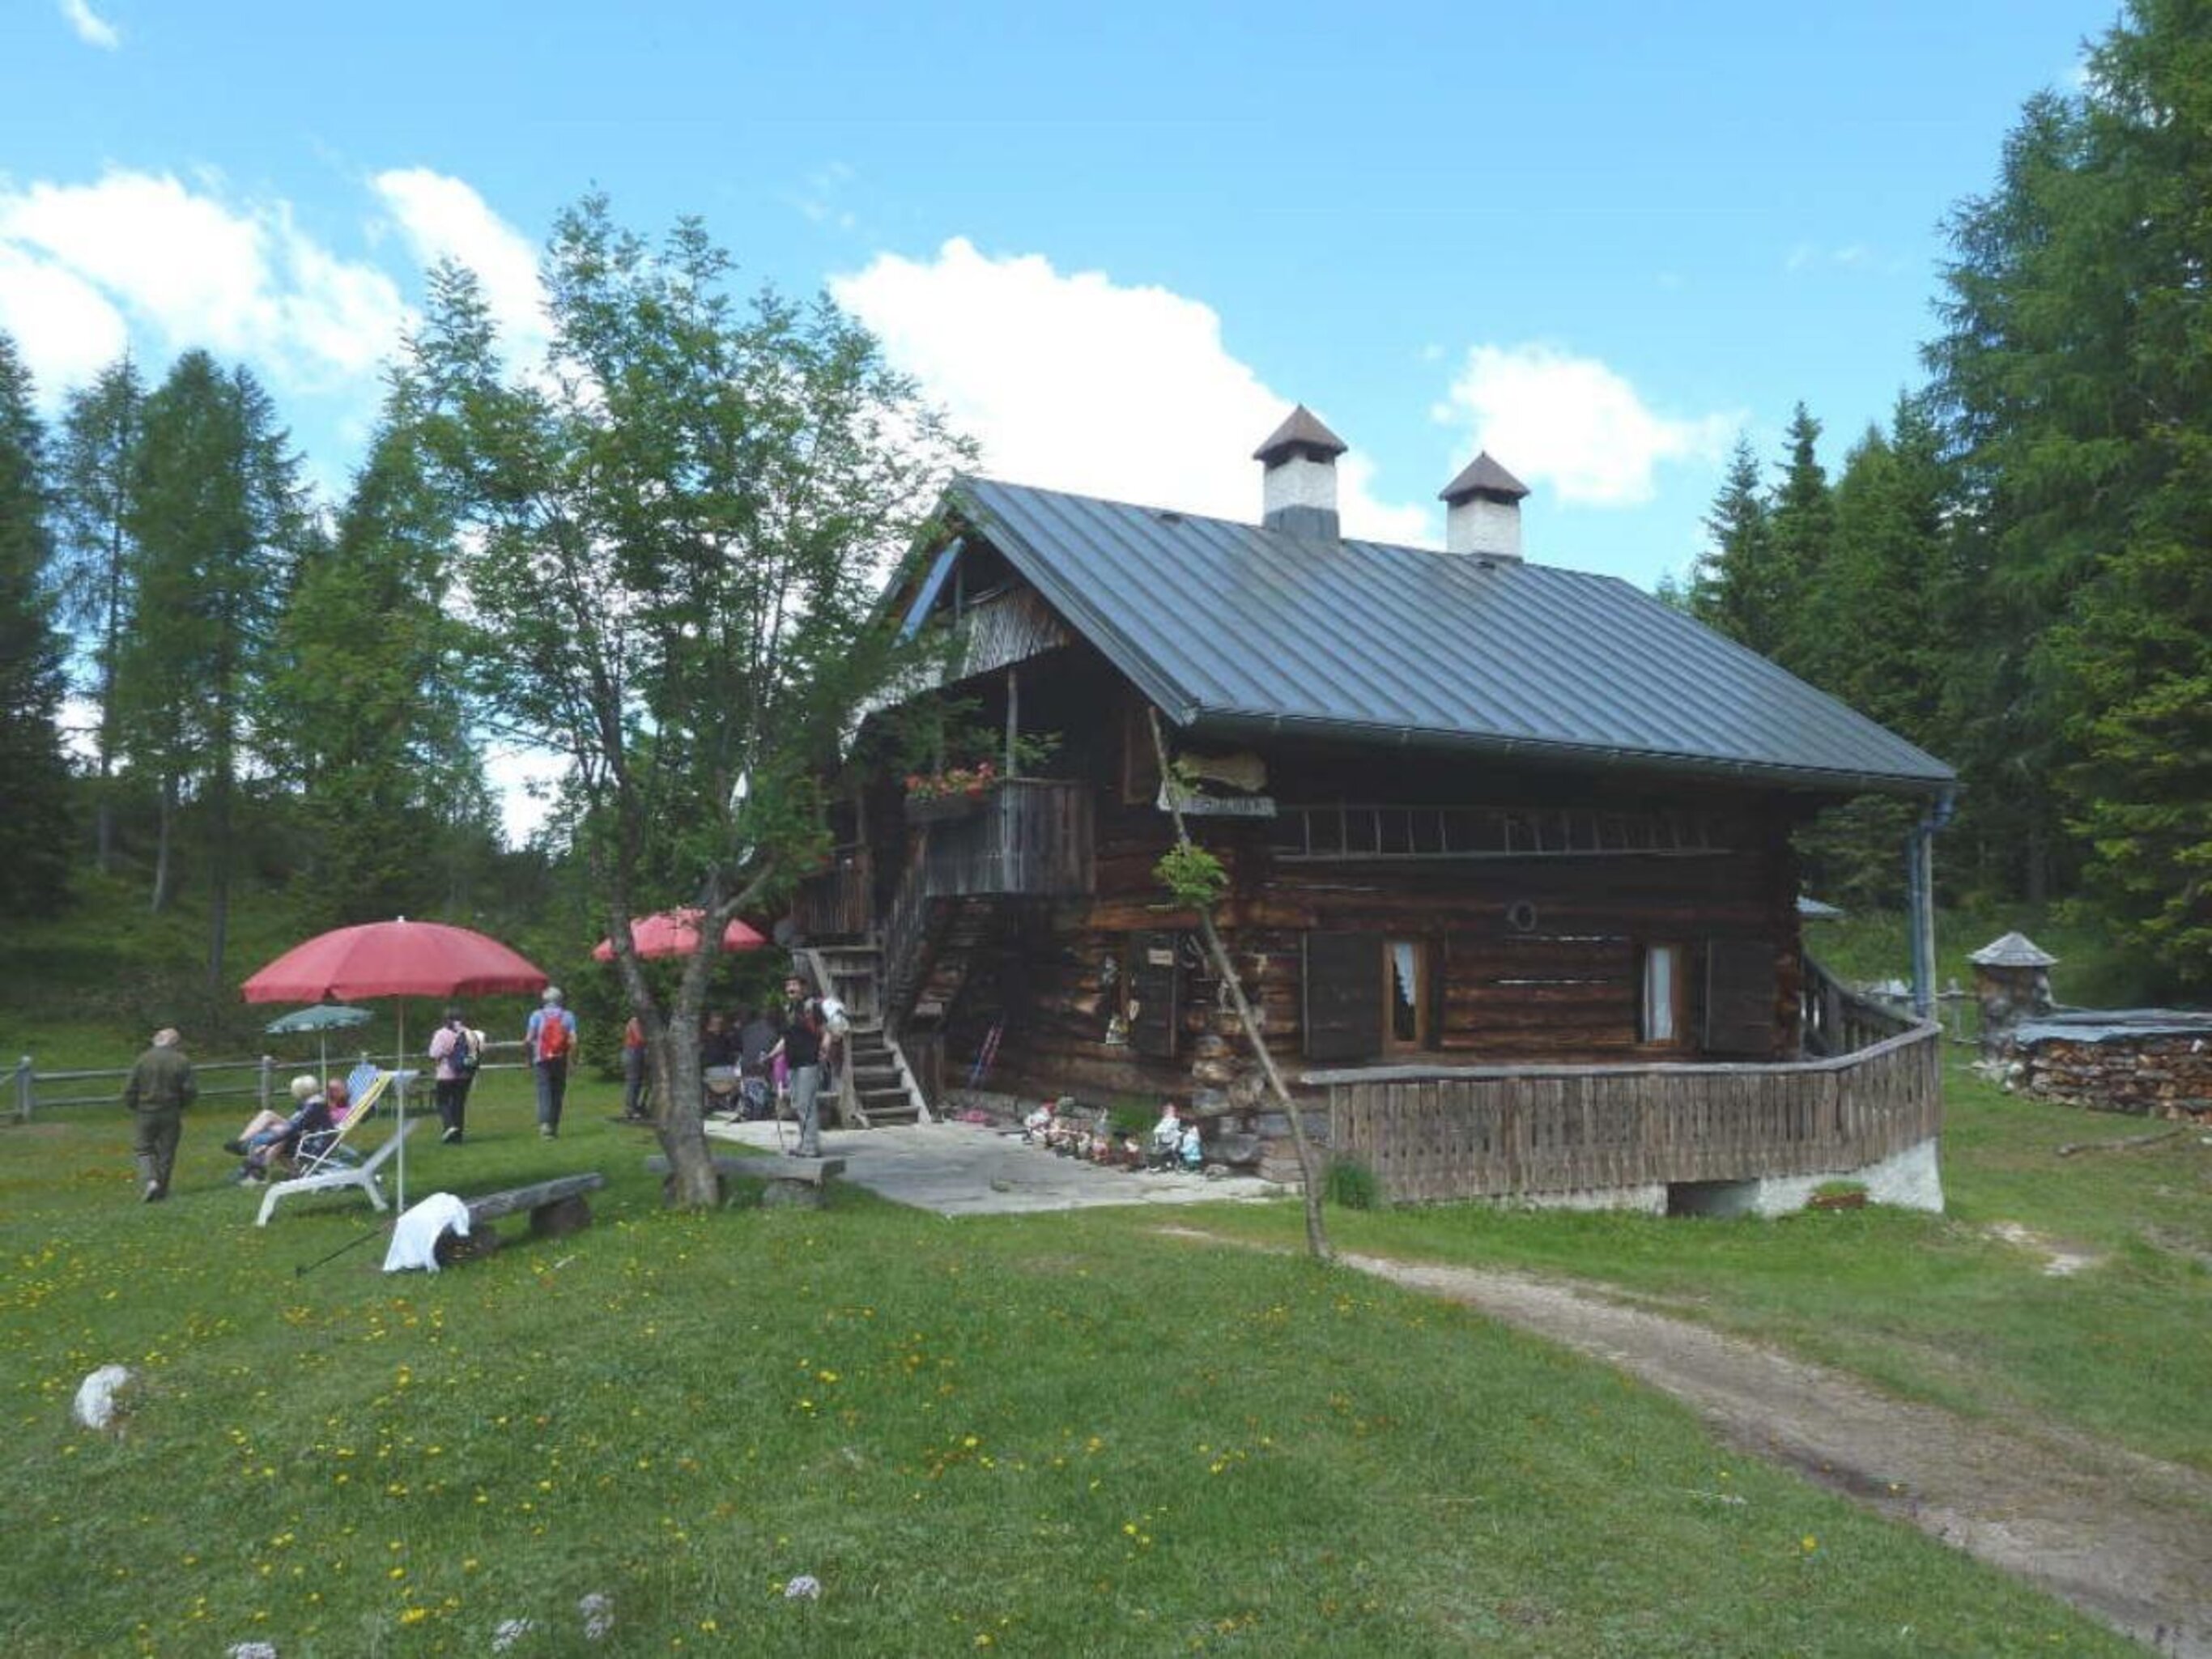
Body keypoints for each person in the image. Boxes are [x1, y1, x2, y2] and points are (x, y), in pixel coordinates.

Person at [122, 1026, 197, 1202]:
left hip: (146, 1111)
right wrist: (182, 1105)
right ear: (175, 1043)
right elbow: (190, 1090)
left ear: (157, 1039)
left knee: (144, 1149)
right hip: (171, 1111)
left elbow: (130, 1088)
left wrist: (134, 1104)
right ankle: (161, 1190)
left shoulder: (143, 1059)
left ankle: (150, 1180)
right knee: (166, 1152)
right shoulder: (181, 1061)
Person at [233, 1075, 347, 1183]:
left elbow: (296, 1128)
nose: (329, 1091)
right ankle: (250, 1155)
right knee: (272, 1121)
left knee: (281, 1136)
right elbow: (301, 1125)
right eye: (329, 1088)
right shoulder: (317, 1103)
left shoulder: (318, 1105)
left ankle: (258, 1167)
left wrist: (268, 1143)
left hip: (315, 1143)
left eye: (335, 1089)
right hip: (310, 1135)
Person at [768, 981, 826, 1158]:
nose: (790, 989)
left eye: (794, 985)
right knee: (797, 1104)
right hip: (792, 1063)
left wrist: (824, 1050)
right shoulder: (788, 1010)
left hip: (809, 1062)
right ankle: (805, 1143)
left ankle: (810, 1147)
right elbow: (786, 1039)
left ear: (803, 988)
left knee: (806, 1105)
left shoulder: (812, 1007)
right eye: (787, 986)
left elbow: (827, 1030)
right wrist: (771, 1055)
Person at [526, 986, 578, 1138]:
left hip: (541, 1059)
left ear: (544, 1000)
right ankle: (554, 1126)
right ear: (560, 1000)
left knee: (544, 1091)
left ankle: (544, 1126)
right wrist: (573, 1062)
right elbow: (574, 1041)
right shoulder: (568, 1016)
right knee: (557, 1093)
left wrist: (529, 1059)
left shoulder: (536, 1015)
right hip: (560, 1058)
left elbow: (528, 1040)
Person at [427, 1006, 479, 1144]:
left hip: (445, 1074)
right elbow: (475, 1053)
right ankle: (457, 1137)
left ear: (446, 1020)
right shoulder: (469, 1033)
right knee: (459, 1105)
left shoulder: (441, 1034)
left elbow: (434, 1054)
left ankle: (449, 1127)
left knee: (442, 1102)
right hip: (464, 1075)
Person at [621, 1014, 649, 1121]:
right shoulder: (634, 1022)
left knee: (638, 1082)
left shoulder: (640, 1022)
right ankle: (630, 1110)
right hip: (633, 1051)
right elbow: (639, 1039)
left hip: (637, 1052)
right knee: (632, 1082)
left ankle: (636, 1106)